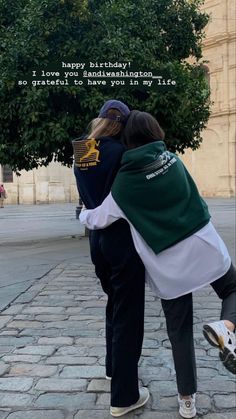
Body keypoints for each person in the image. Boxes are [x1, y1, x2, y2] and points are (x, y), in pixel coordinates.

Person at [80, 110, 236, 419]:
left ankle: (187, 401)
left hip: (168, 266)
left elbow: (97, 217)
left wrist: (83, 213)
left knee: (179, 331)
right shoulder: (173, 161)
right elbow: (195, 197)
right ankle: (227, 326)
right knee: (232, 288)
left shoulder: (121, 182)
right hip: (203, 246)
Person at [73, 102, 149, 417]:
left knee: (113, 304)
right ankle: (124, 396)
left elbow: (88, 195)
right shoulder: (123, 153)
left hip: (97, 242)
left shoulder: (83, 150)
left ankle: (111, 368)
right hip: (122, 242)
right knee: (128, 315)